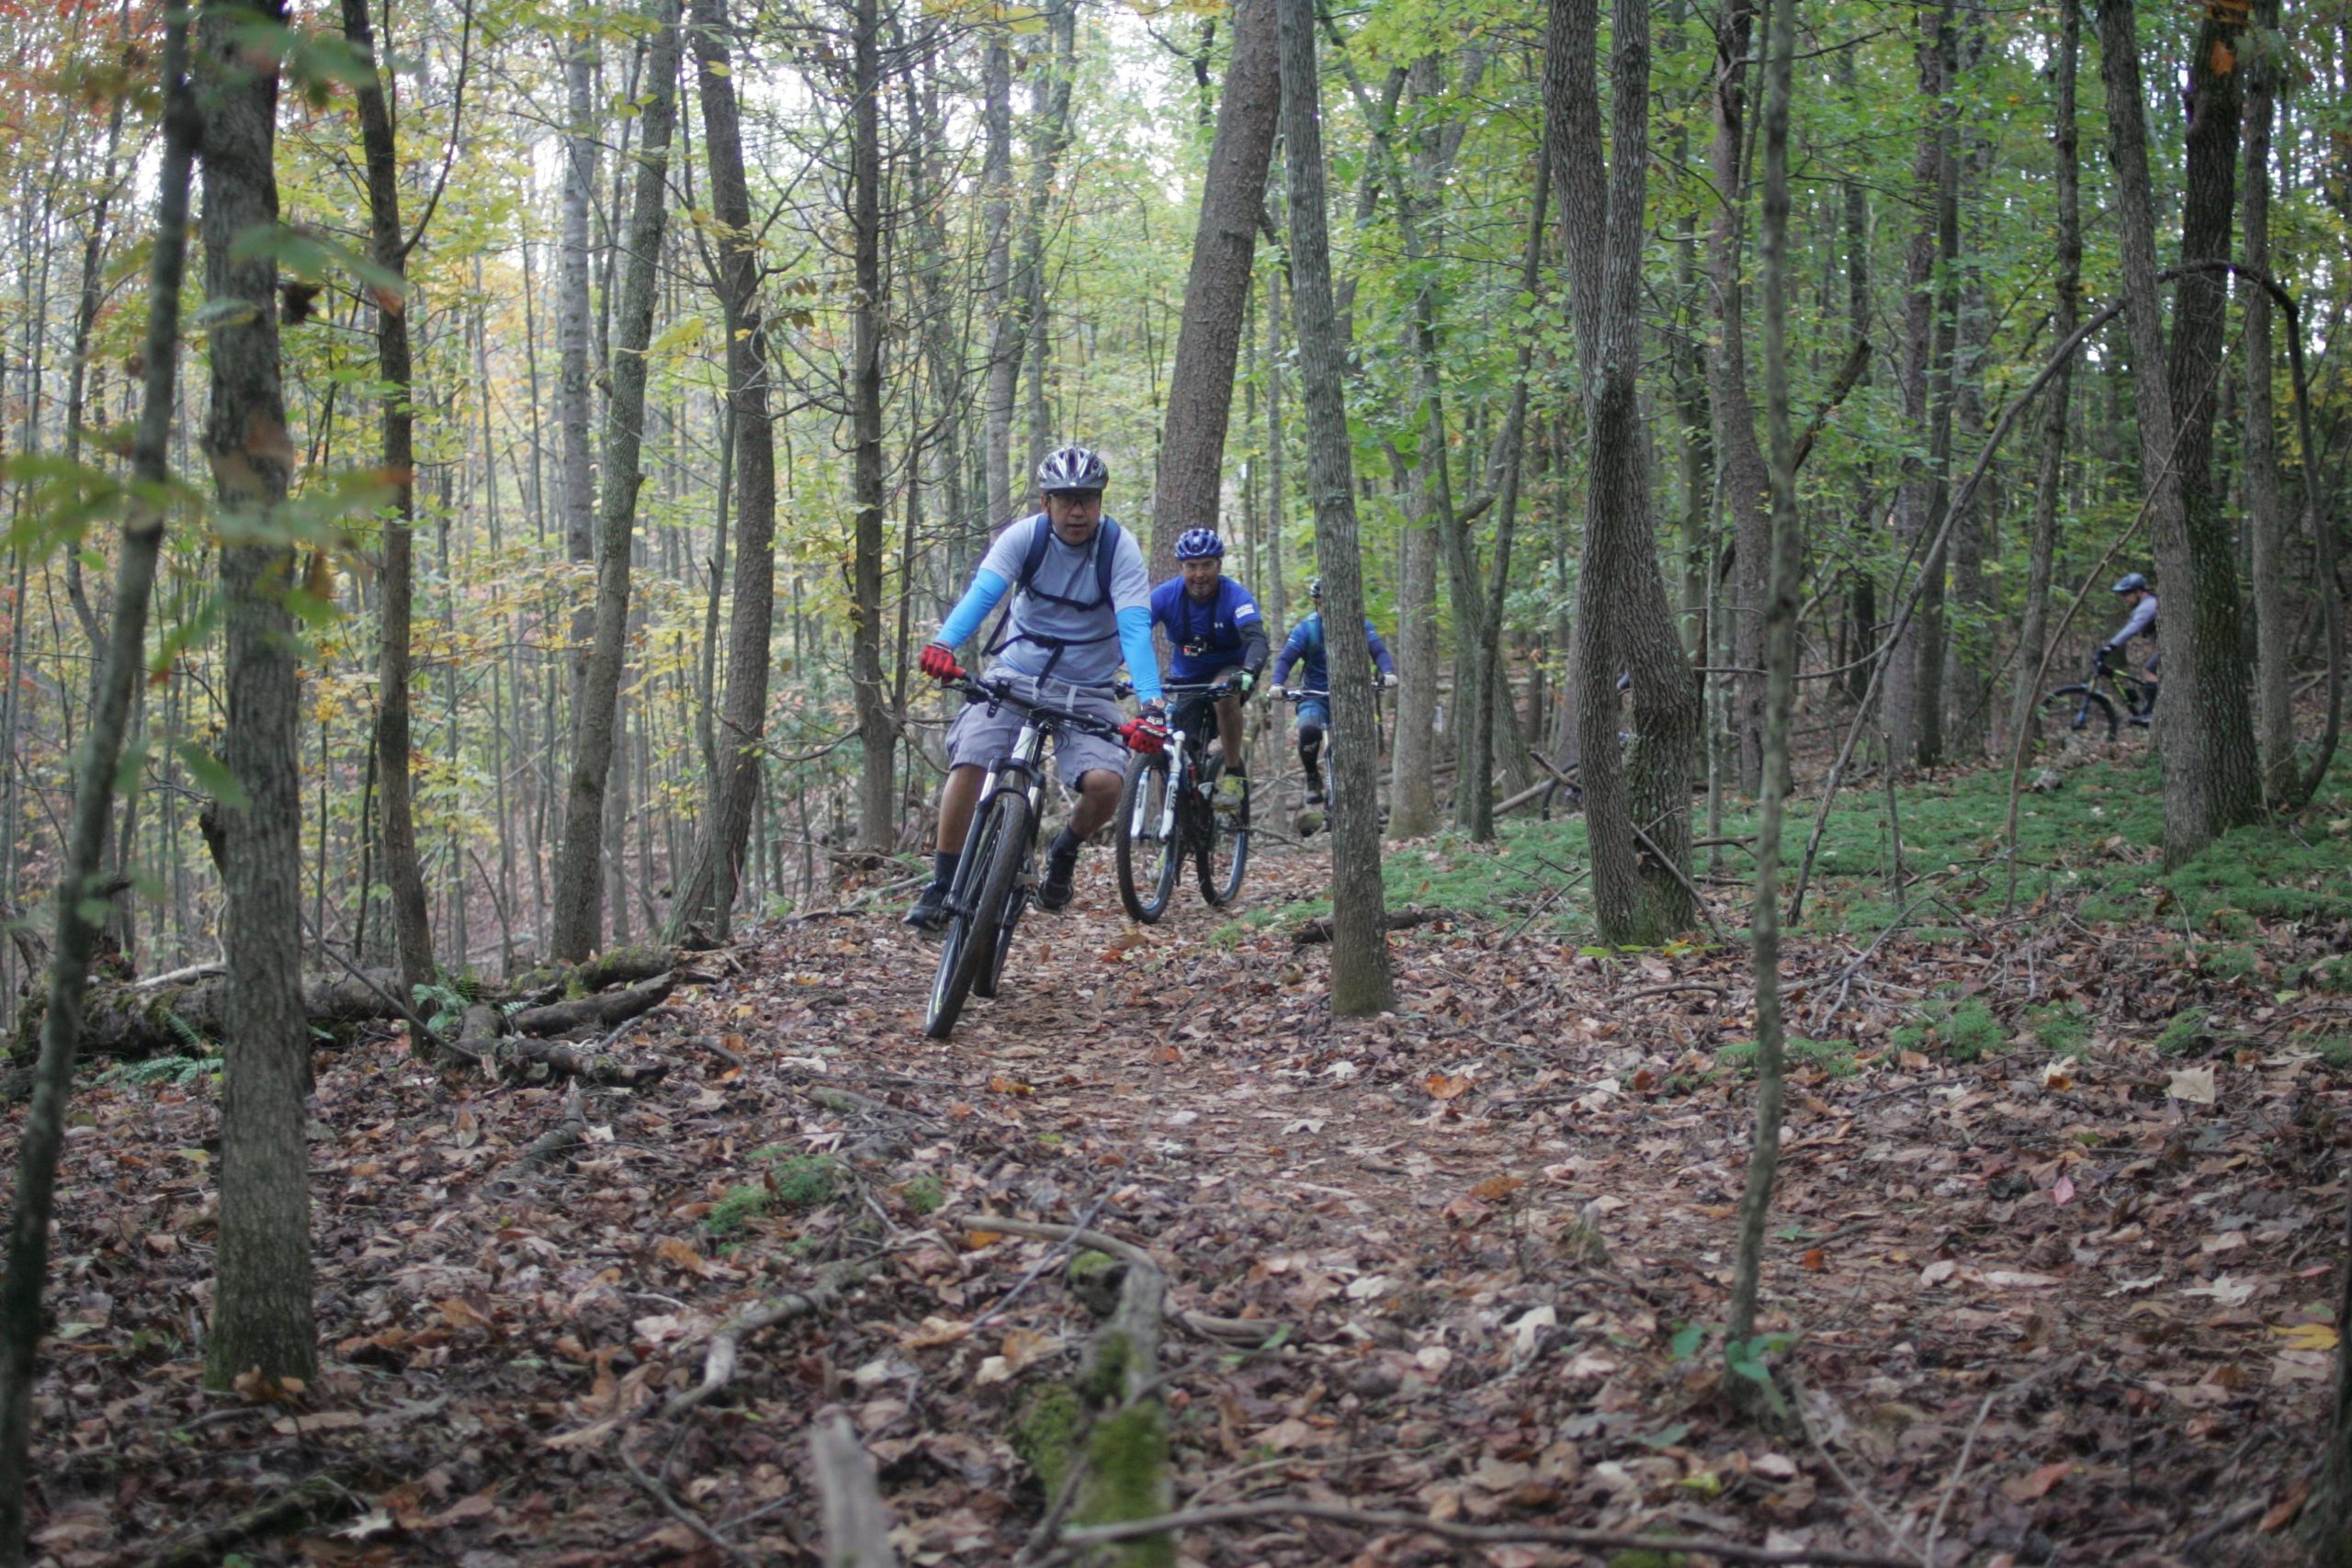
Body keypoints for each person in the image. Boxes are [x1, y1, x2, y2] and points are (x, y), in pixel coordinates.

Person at [905, 446, 1167, 931]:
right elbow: (984, 593)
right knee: (971, 759)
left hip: (1088, 689)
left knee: (1107, 785)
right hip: (1017, 675)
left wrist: (1151, 704)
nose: (1077, 511)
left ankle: (1064, 850)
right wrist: (944, 643)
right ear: (1045, 503)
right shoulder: (1024, 538)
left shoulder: (1118, 548)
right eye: (1065, 499)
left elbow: (1134, 627)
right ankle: (942, 883)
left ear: (1099, 502)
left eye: (1087, 499)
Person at [1148, 528, 1269, 807]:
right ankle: (1176, 825)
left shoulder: (1235, 597)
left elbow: (1257, 640)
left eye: (1207, 565)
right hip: (1187, 676)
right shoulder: (1165, 596)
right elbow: (1132, 635)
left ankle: (1233, 773)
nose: (1199, 574)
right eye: (1191, 566)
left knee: (1223, 695)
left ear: (1219, 566)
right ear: (1180, 568)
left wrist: (1248, 671)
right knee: (1177, 747)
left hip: (1230, 668)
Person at [1269, 578, 1396, 806]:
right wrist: (1277, 684)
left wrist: (1387, 672)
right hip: (1314, 696)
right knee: (1308, 731)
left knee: (1356, 745)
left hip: (1351, 698)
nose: (1328, 607)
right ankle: (1311, 776)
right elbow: (1286, 659)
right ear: (1316, 603)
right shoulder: (1306, 628)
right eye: (1323, 602)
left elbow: (1378, 651)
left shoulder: (1360, 626)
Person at [2100, 571, 2159, 722]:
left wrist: (2110, 647)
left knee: (2149, 670)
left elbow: (2132, 628)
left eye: (2127, 594)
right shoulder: (2146, 604)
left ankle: (2153, 713)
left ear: (2139, 592)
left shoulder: (2148, 605)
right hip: (2166, 649)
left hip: (2173, 650)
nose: (2124, 598)